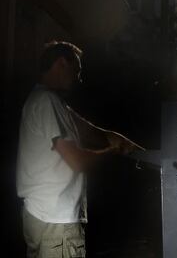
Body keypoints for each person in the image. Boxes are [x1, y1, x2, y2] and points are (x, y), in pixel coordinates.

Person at [16, 41, 144, 258]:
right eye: (77, 70)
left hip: (41, 217)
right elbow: (77, 161)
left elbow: (89, 131)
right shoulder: (47, 101)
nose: (79, 78)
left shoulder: (46, 101)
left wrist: (122, 141)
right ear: (61, 64)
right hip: (56, 222)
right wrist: (113, 153)